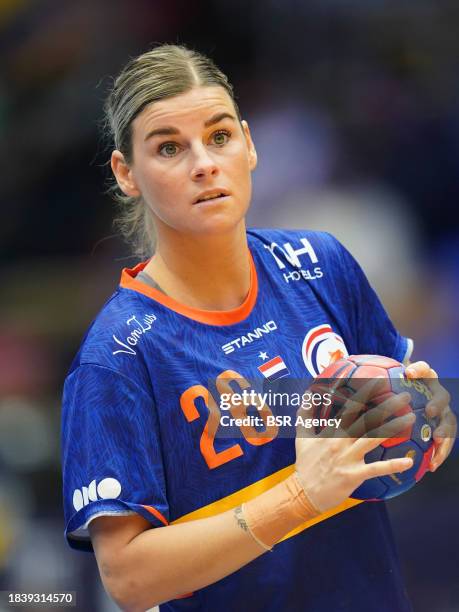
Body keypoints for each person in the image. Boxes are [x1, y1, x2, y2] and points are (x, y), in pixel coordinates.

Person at [61, 44, 456, 612]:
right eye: (169, 148)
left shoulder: (321, 263)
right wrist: (300, 497)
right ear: (127, 174)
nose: (203, 163)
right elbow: (127, 577)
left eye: (219, 136)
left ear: (248, 144)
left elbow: (407, 410)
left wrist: (430, 412)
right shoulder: (118, 356)